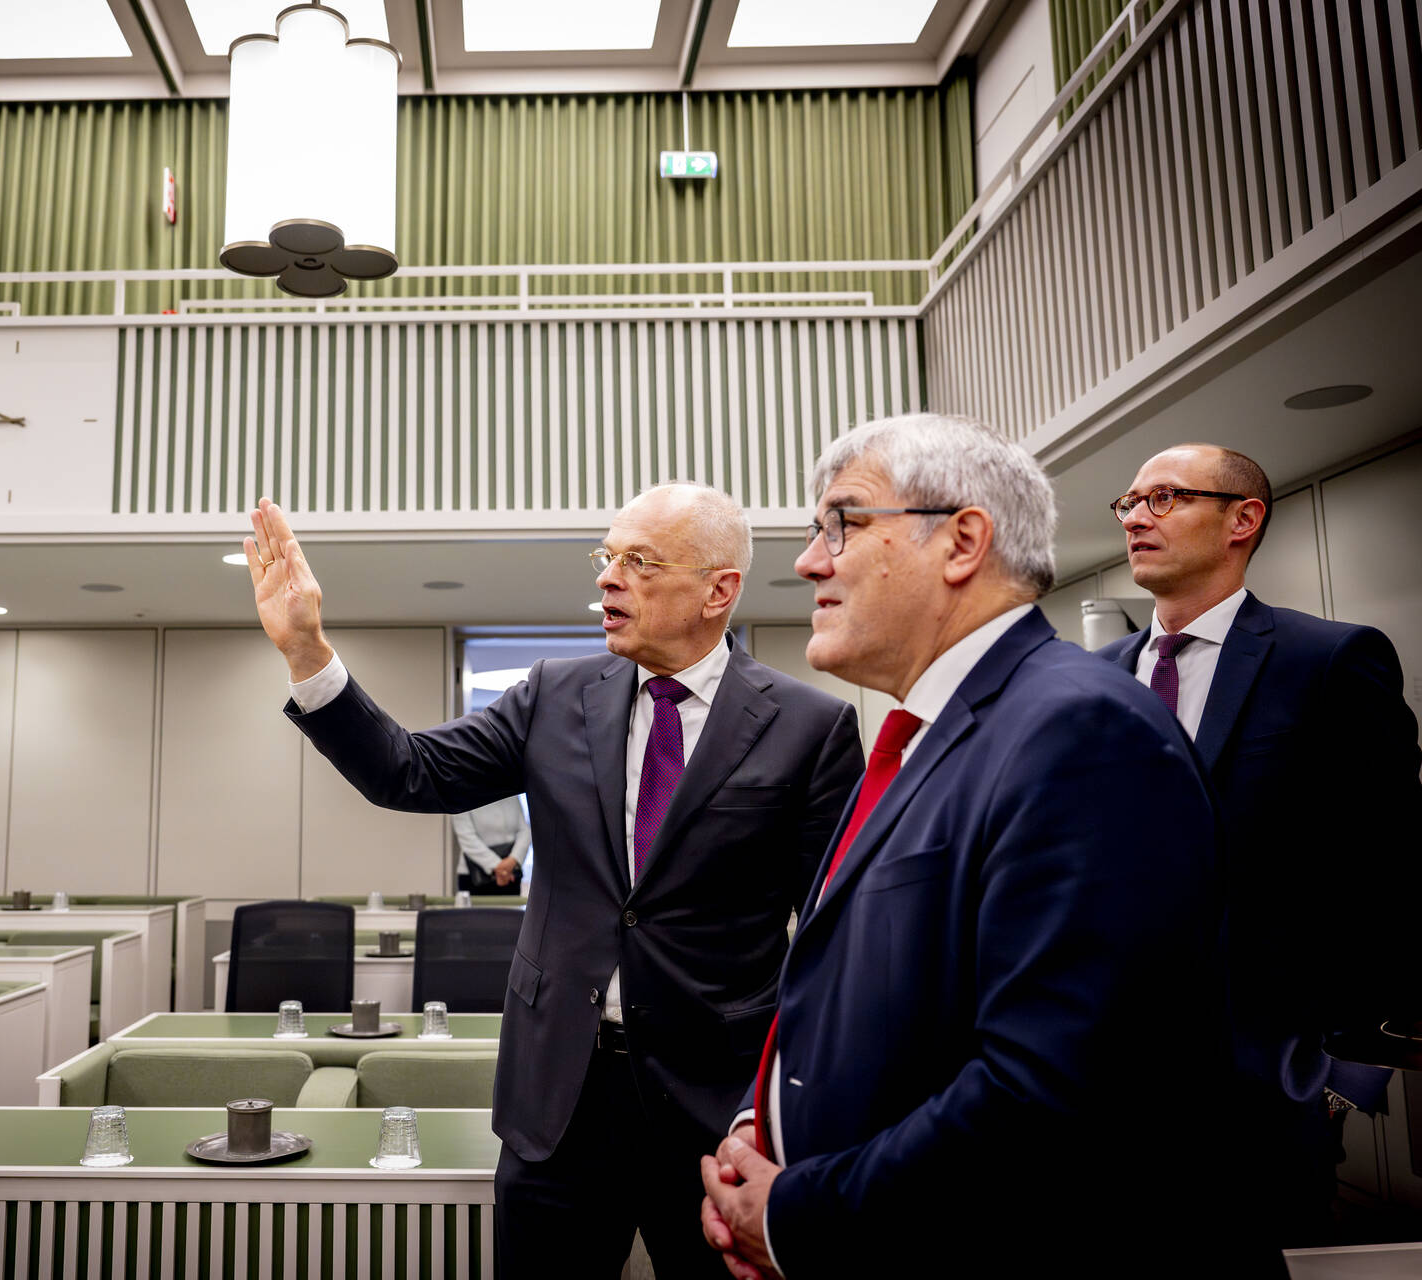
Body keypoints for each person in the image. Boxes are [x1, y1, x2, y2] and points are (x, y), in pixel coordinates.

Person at [243, 482, 863, 1275]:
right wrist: (307, 651)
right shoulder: (550, 695)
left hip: (716, 1111)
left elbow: (831, 943)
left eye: (638, 562)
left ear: (720, 589)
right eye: (607, 558)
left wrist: (789, 1111)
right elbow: (408, 771)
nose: (607, 579)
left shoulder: (809, 728)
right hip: (559, 1102)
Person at [700, 414, 1252, 1278]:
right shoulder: (920, 733)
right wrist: (756, 1128)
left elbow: (1050, 1094)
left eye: (842, 522)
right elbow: (843, 982)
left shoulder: (1082, 730)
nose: (810, 561)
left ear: (961, 541)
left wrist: (795, 1216)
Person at [1096, 443, 1421, 1246]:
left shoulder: (1328, 661)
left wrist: (1342, 1068)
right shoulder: (1093, 679)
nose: (1136, 516)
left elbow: (1394, 864)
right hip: (1102, 1074)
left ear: (1243, 519)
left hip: (1266, 1076)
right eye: (1129, 502)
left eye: (1164, 497)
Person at [453, 794, 530, 894]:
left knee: (511, 909)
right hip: (475, 876)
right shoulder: (462, 794)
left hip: (510, 874)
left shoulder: (509, 791)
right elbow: (466, 836)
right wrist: (498, 866)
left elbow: (524, 830)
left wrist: (512, 860)